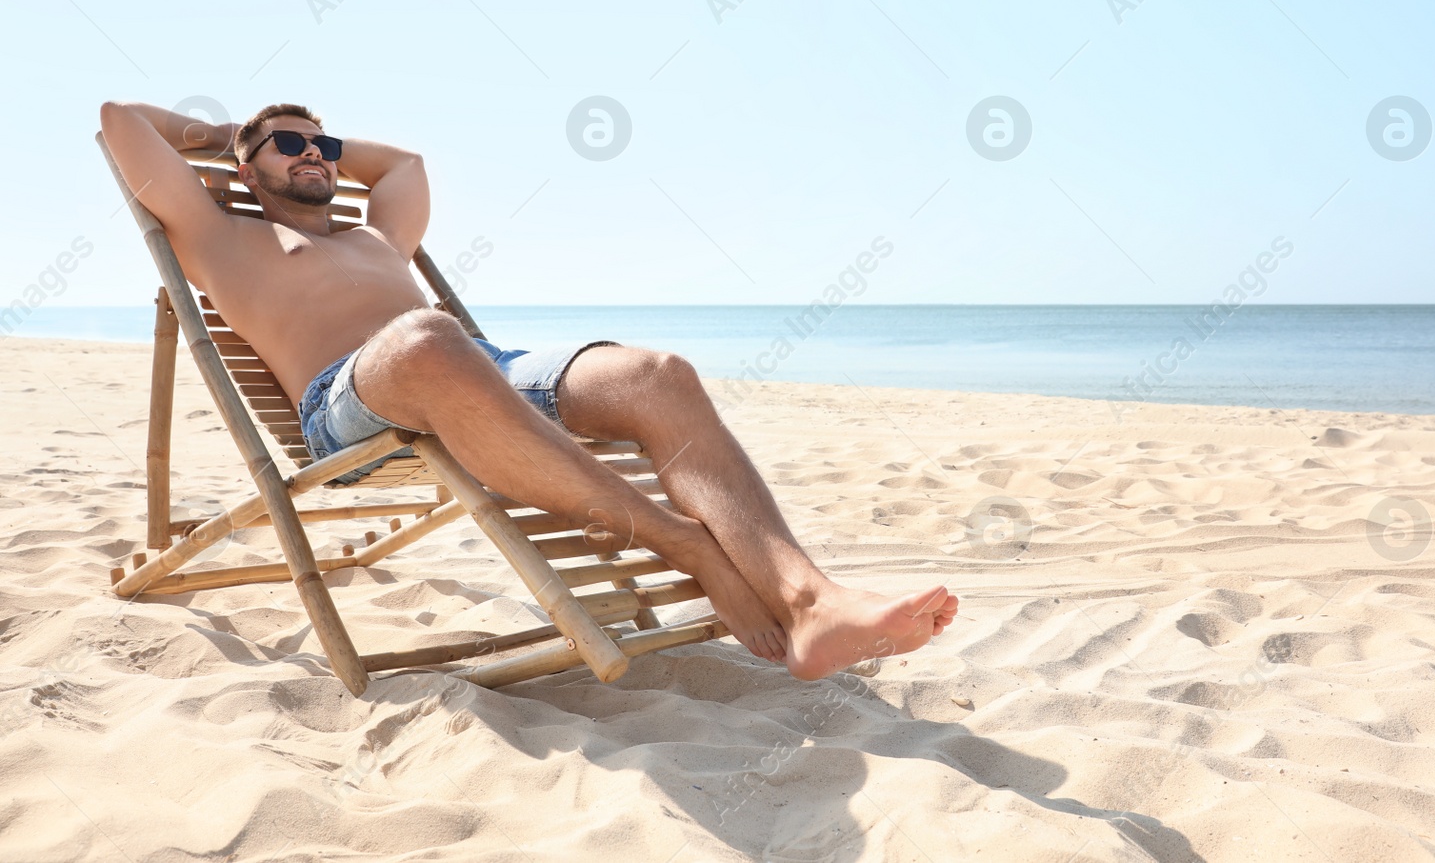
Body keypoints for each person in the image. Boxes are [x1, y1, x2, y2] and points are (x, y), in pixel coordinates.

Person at [100, 100, 959, 680]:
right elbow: (120, 123)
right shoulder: (219, 237)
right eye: (292, 146)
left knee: (656, 374)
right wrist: (229, 134)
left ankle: (813, 603)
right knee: (427, 335)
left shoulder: (378, 236)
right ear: (246, 170)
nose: (317, 155)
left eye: (324, 145)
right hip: (353, 407)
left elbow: (404, 162)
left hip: (484, 370)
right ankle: (687, 545)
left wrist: (300, 141)